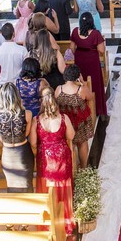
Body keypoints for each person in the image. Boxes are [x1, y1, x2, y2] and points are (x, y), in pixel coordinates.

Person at [31, 87, 76, 232]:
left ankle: (48, 222)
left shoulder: (36, 120)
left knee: (47, 187)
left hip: (45, 158)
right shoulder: (63, 118)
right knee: (63, 186)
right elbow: (71, 136)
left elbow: (33, 142)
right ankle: (65, 221)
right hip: (61, 158)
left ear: (41, 102)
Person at [0, 83, 33, 191]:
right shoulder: (27, 114)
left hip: (7, 154)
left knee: (11, 185)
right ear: (17, 96)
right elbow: (26, 133)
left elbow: (0, 137)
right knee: (27, 185)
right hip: (23, 153)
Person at [56, 65, 95, 167]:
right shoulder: (81, 89)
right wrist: (83, 82)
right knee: (82, 143)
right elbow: (90, 97)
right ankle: (83, 167)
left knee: (69, 143)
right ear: (77, 75)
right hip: (79, 122)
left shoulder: (59, 89)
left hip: (65, 122)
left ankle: (71, 167)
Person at [71, 13, 107, 116]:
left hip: (79, 60)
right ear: (92, 21)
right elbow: (101, 50)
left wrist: (79, 54)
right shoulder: (95, 34)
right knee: (94, 83)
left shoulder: (75, 31)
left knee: (81, 81)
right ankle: (97, 108)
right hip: (92, 61)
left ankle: (82, 107)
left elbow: (72, 48)